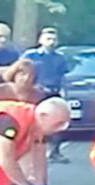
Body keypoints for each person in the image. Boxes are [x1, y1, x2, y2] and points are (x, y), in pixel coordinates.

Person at [23, 27, 70, 164]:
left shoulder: (60, 58)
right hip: (35, 92)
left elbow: (63, 76)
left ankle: (55, 152)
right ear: (40, 40)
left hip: (53, 92)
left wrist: (64, 92)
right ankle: (29, 151)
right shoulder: (30, 55)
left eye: (54, 39)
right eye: (48, 39)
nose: (51, 42)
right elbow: (22, 71)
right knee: (32, 121)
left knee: (57, 122)